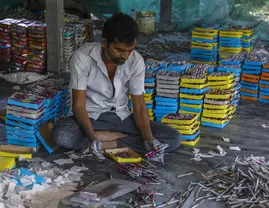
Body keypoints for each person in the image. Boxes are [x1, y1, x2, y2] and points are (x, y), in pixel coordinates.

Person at [52, 12, 181, 159]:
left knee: (173, 138)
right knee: (62, 136)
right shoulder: (82, 58)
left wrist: (148, 138)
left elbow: (139, 106)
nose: (125, 56)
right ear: (104, 42)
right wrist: (92, 136)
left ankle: (109, 143)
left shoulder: (136, 61)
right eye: (119, 50)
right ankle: (106, 138)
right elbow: (79, 106)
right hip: (89, 117)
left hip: (120, 117)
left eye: (129, 50)